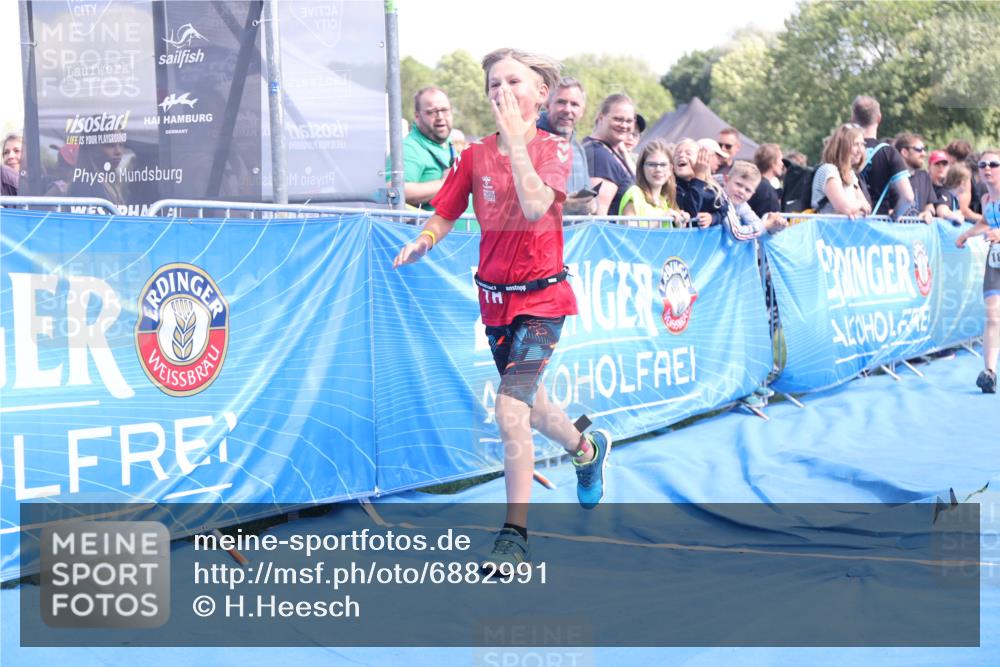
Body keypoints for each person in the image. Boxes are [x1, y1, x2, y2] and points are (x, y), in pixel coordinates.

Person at [393, 47, 612, 569]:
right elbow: (445, 212)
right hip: (494, 301)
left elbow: (537, 205)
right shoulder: (472, 155)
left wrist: (516, 143)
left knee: (509, 409)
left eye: (513, 81)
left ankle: (514, 534)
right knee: (533, 408)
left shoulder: (554, 150)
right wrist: (425, 239)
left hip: (544, 299)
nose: (500, 91)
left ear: (540, 93)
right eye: (493, 83)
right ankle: (587, 449)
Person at [955, 149, 1000, 394]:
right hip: (996, 262)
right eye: (982, 165)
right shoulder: (985, 199)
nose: (987, 168)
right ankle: (989, 373)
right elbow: (985, 221)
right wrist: (967, 234)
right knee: (993, 315)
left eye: (994, 164)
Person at [537, 77, 595, 214]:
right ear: (547, 104)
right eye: (561, 102)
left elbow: (586, 190)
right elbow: (514, 201)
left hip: (575, 234)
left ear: (582, 111)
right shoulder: (528, 142)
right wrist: (564, 206)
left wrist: (592, 204)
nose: (567, 110)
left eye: (574, 104)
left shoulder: (578, 148)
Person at [850, 95, 916, 217]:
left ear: (853, 119)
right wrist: (895, 216)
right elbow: (908, 197)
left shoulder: (844, 150)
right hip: (878, 225)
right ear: (879, 118)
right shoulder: (888, 153)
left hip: (848, 224)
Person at [397, 87, 456, 211]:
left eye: (445, 110)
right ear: (417, 116)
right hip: (430, 230)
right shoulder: (409, 148)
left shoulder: (449, 143)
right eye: (431, 112)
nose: (440, 116)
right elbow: (396, 192)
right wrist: (445, 183)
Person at [583, 94, 637, 216]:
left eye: (629, 121)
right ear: (601, 118)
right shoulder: (599, 155)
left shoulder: (609, 150)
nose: (624, 125)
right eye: (618, 119)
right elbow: (598, 215)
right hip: (610, 234)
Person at [618, 139, 689, 227]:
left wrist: (680, 222)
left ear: (670, 169)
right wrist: (660, 220)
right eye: (652, 164)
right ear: (642, 168)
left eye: (663, 165)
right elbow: (630, 233)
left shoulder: (663, 202)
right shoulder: (634, 193)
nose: (658, 169)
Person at [810, 124, 871, 218]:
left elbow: (867, 208)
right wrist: (859, 205)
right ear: (842, 147)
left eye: (862, 144)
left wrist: (855, 208)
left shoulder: (850, 175)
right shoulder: (828, 170)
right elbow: (845, 208)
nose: (860, 150)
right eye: (855, 144)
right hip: (826, 231)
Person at [721, 160, 788, 240]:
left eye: (748, 190)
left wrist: (774, 226)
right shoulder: (721, 201)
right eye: (738, 184)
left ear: (752, 194)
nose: (742, 191)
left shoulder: (743, 206)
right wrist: (766, 224)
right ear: (726, 180)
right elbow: (738, 234)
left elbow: (760, 235)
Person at [674, 138, 726, 228]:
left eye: (688, 153)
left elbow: (723, 212)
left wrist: (712, 218)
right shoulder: (672, 187)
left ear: (701, 161)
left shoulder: (711, 188)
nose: (681, 155)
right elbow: (690, 213)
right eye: (677, 153)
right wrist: (698, 178)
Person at [893, 133, 939, 223]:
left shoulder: (924, 176)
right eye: (919, 150)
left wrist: (928, 213)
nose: (924, 154)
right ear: (904, 152)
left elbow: (930, 206)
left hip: (918, 233)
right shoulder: (891, 178)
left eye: (924, 149)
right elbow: (886, 210)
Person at [946, 139, 985, 224]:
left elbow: (964, 211)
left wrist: (988, 220)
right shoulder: (977, 171)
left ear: (951, 157)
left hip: (975, 225)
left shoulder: (964, 176)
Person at [748, 143, 783, 217]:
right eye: (780, 160)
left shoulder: (752, 182)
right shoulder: (767, 190)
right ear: (773, 163)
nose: (782, 164)